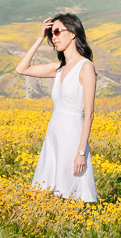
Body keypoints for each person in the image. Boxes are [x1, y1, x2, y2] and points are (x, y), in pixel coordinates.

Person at [15, 13, 98, 202]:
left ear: (73, 34)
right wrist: (39, 38)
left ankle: (73, 229)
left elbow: (89, 113)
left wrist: (81, 152)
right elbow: (21, 69)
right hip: (54, 134)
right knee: (49, 193)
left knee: (70, 193)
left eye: (58, 32)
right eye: (51, 34)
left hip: (72, 136)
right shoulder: (59, 68)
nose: (54, 37)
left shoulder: (85, 67)